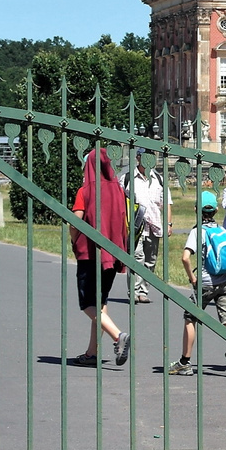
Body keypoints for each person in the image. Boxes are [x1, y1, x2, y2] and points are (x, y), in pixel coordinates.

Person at [69, 148, 130, 367]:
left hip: (89, 254)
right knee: (101, 303)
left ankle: (118, 336)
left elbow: (75, 221)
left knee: (87, 304)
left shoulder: (85, 190)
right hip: (112, 255)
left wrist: (74, 240)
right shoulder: (119, 191)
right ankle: (92, 353)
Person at [167, 191, 226, 375]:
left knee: (190, 317)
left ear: (196, 209)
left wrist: (192, 278)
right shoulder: (222, 230)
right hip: (225, 281)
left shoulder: (198, 231)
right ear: (216, 210)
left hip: (205, 283)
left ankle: (185, 362)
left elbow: (185, 258)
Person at [127, 150, 171, 304]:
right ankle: (133, 290)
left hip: (154, 224)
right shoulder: (128, 178)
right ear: (138, 158)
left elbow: (166, 202)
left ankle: (143, 291)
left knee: (150, 259)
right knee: (137, 257)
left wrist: (168, 224)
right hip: (135, 225)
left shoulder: (158, 178)